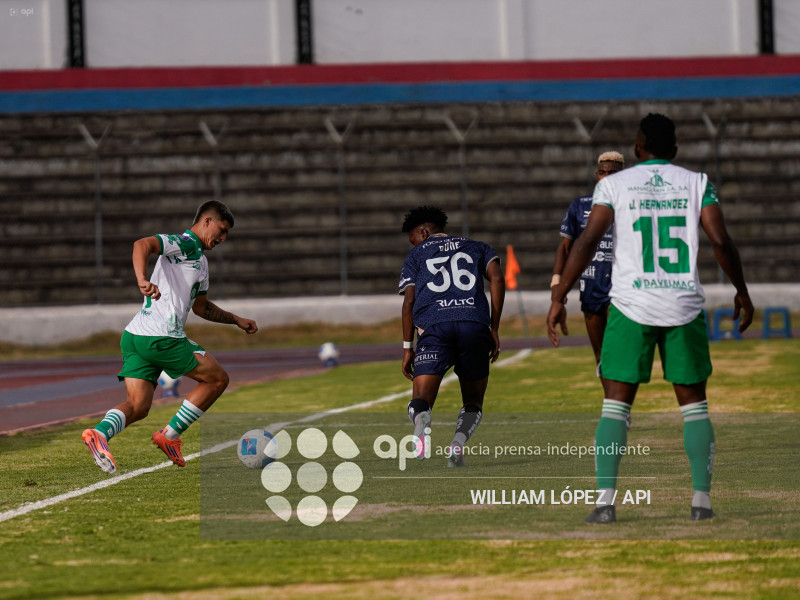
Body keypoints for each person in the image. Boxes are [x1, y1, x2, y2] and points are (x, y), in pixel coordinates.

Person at [547, 114, 753, 523]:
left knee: (614, 406)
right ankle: (701, 503)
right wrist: (741, 290)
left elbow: (588, 240)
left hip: (629, 307)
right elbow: (720, 239)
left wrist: (559, 294)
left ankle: (605, 503)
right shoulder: (698, 183)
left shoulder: (612, 184)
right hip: (683, 306)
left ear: (638, 148)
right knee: (695, 407)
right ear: (674, 151)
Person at [82, 200, 258, 474]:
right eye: (222, 230)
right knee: (218, 378)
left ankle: (99, 434)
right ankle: (169, 436)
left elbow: (201, 307)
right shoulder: (186, 243)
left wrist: (235, 319)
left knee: (138, 406)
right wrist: (141, 278)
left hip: (136, 336)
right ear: (206, 221)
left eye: (227, 235)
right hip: (162, 337)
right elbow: (142, 244)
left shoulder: (200, 262)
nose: (223, 238)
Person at [399, 205, 505, 467]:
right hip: (473, 324)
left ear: (423, 233)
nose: (413, 243)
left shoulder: (416, 255)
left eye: (413, 238)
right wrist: (494, 327)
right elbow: (497, 278)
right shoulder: (477, 246)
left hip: (435, 328)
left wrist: (406, 348)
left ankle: (422, 419)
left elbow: (408, 302)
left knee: (420, 401)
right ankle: (457, 444)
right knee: (472, 402)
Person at [551, 151, 624, 380]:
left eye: (612, 173)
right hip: (590, 286)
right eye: (603, 173)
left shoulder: (630, 204)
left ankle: (620, 409)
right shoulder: (580, 205)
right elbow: (565, 248)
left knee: (616, 352)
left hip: (620, 288)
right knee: (600, 356)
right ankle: (614, 409)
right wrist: (556, 285)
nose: (607, 177)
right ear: (597, 175)